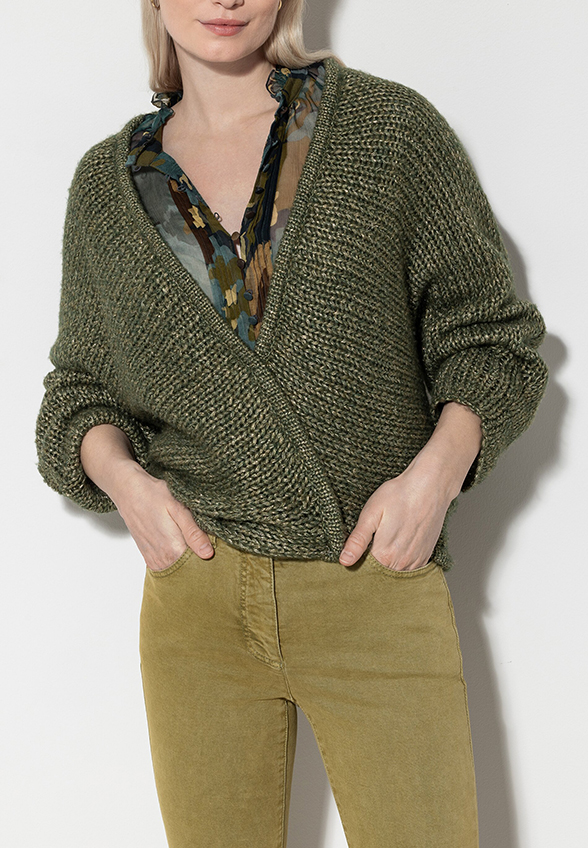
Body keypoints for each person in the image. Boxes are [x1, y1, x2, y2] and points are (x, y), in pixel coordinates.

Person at [35, 1, 549, 846]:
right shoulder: (107, 186)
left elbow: (494, 340)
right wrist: (128, 486)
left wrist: (432, 480)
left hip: (374, 582)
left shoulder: (388, 131)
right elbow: (78, 393)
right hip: (198, 603)